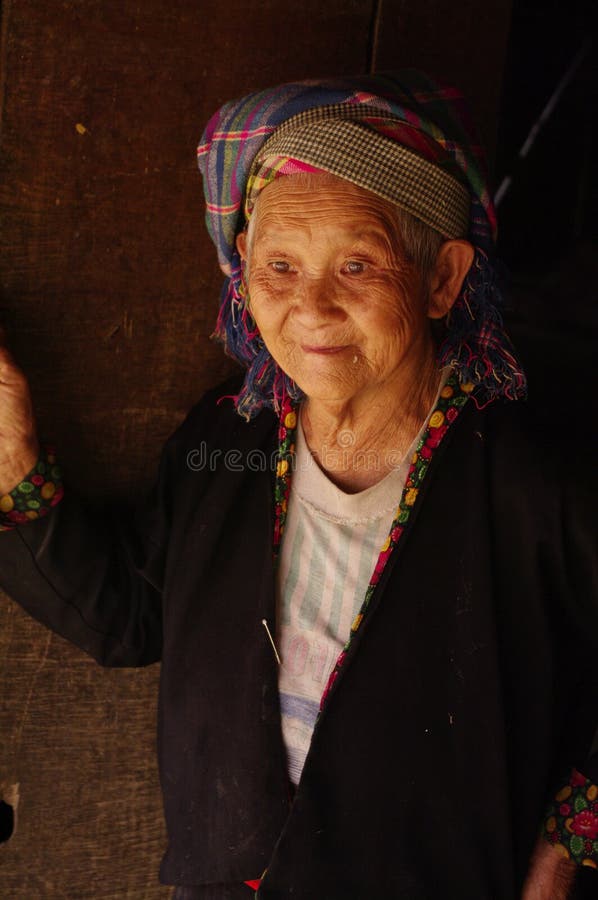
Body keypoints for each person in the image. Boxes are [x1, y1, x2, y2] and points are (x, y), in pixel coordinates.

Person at [0, 71, 596, 899]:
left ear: (442, 280)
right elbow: (129, 616)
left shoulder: (533, 484)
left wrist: (564, 850)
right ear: (242, 267)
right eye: (279, 264)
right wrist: (13, 458)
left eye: (357, 264)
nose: (310, 308)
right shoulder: (228, 440)